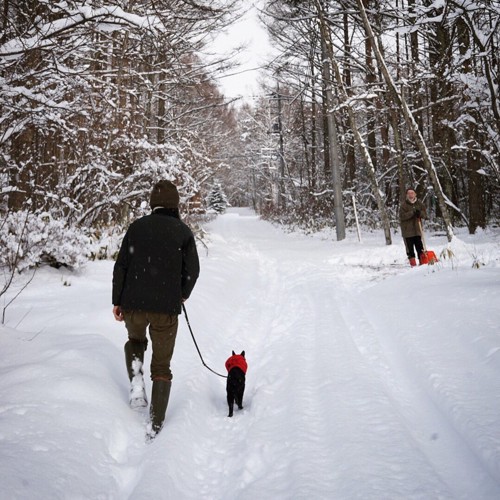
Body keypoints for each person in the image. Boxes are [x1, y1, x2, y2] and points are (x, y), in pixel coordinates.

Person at [112, 180, 200, 438]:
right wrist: (182, 294)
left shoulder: (137, 228)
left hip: (134, 304)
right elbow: (193, 270)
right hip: (165, 309)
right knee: (162, 366)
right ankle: (156, 423)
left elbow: (121, 266)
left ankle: (137, 388)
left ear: (153, 203)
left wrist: (117, 300)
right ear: (175, 205)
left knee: (135, 340)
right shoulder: (182, 232)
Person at [399, 188, 427, 267]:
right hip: (407, 232)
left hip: (418, 230)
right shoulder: (403, 205)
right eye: (409, 193)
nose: (410, 195)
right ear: (407, 195)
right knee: (410, 250)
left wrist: (420, 213)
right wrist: (412, 213)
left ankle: (422, 263)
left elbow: (425, 215)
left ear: (415, 194)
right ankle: (413, 265)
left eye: (412, 193)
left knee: (420, 248)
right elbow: (402, 216)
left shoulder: (419, 204)